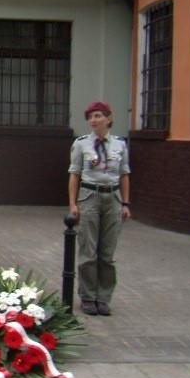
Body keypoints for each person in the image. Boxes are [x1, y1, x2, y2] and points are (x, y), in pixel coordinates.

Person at [68, 101, 131, 317]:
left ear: (108, 118)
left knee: (107, 253)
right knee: (88, 251)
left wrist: (125, 203)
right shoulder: (81, 144)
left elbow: (124, 174)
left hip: (112, 197)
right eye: (90, 117)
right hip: (89, 197)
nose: (93, 121)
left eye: (97, 116)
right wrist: (73, 204)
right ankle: (87, 297)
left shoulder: (120, 145)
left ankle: (103, 298)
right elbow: (74, 174)